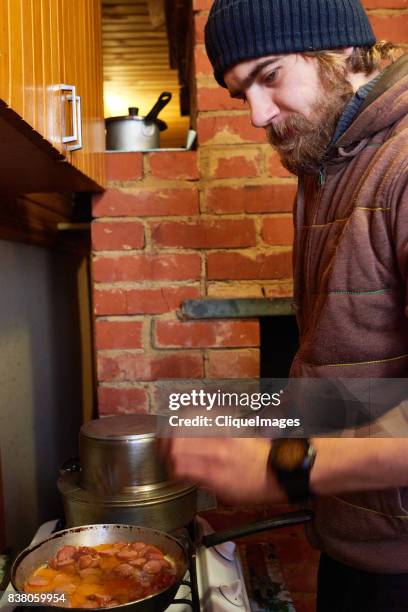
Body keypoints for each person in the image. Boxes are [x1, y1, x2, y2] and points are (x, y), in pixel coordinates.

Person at [162, 1, 408, 610]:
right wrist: (260, 422)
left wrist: (284, 465)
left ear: (343, 50)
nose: (256, 115)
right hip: (359, 540)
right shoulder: (330, 163)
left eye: (269, 75)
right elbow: (357, 357)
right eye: (240, 93)